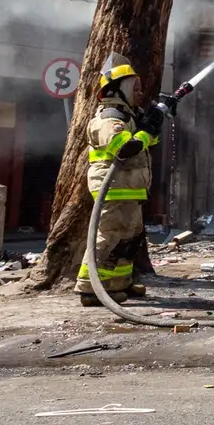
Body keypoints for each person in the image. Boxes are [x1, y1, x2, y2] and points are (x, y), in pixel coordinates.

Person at [76, 54, 159, 306]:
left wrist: (154, 124)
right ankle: (90, 289)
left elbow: (145, 144)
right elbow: (123, 148)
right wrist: (146, 132)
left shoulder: (128, 116)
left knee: (129, 238)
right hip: (113, 189)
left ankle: (119, 283)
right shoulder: (110, 118)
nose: (141, 92)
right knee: (109, 237)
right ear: (120, 88)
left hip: (129, 189)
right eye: (135, 88)